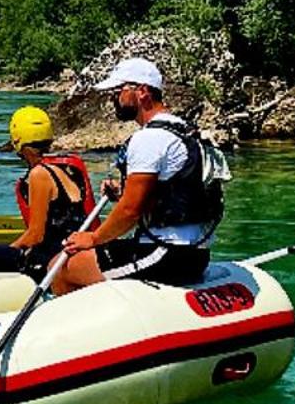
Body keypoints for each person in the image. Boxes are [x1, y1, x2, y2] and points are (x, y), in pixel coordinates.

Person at [56, 59, 221, 292]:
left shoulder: (149, 139)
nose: (113, 98)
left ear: (142, 92)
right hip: (196, 252)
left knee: (62, 265)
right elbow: (169, 191)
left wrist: (93, 239)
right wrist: (123, 192)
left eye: (118, 91)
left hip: (165, 254)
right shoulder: (184, 129)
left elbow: (130, 211)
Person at [0, 106, 94, 278]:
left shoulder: (39, 174)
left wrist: (11, 249)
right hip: (73, 248)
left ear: (18, 140)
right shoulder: (70, 167)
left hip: (53, 257)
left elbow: (36, 236)